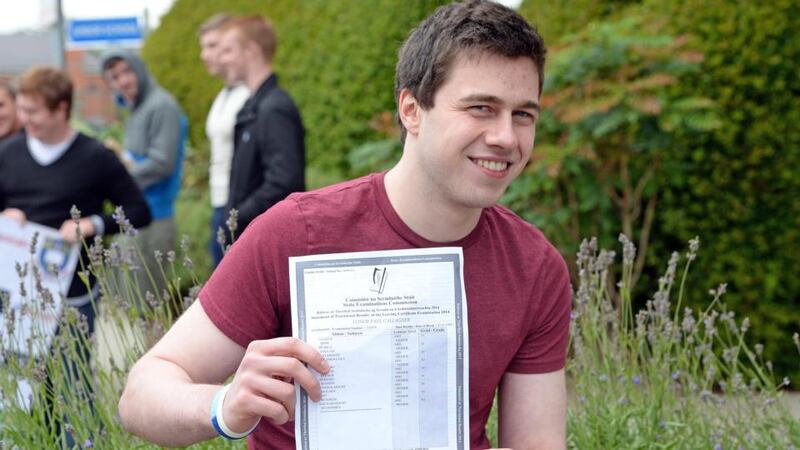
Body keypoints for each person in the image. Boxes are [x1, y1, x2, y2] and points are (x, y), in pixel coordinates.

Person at [117, 1, 570, 449]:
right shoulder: (296, 234)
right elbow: (142, 395)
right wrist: (224, 404)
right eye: (481, 108)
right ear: (411, 110)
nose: (506, 137)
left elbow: (536, 442)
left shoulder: (534, 267)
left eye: (523, 115)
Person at [0, 67, 151, 441]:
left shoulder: (95, 156)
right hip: (16, 295)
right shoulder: (8, 153)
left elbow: (138, 209)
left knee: (72, 382)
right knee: (18, 387)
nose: (26, 119)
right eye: (23, 110)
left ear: (61, 108)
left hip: (74, 294)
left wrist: (93, 225)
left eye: (34, 111)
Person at [100, 50, 186, 300]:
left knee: (148, 307)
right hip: (131, 216)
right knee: (127, 305)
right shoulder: (138, 108)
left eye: (127, 71)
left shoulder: (162, 106)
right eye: (114, 77)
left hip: (153, 219)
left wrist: (117, 178)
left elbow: (161, 164)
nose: (122, 81)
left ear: (139, 68)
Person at [216, 15, 305, 241]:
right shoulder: (253, 106)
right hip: (249, 235)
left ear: (251, 51)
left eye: (228, 51)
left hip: (265, 238)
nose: (221, 59)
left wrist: (237, 217)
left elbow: (283, 181)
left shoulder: (274, 108)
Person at [198, 13, 250, 266]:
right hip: (219, 201)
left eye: (213, 46)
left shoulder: (250, 95)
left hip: (237, 205)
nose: (204, 55)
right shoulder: (223, 94)